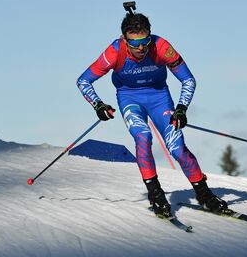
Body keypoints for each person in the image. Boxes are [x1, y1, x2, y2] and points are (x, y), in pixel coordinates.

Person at [76, 11, 227, 217]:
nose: (140, 48)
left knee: (177, 148)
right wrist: (98, 105)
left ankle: (203, 193)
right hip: (129, 98)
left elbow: (188, 80)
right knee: (143, 136)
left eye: (145, 41)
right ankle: (155, 193)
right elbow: (83, 80)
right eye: (133, 43)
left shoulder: (162, 47)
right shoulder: (114, 51)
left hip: (159, 97)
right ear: (124, 39)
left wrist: (182, 108)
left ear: (150, 35)